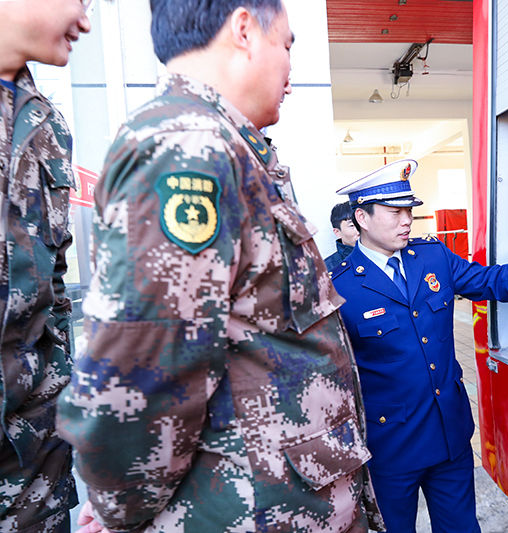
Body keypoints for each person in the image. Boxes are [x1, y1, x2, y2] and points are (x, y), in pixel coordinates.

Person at [56, 1, 383, 531]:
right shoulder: (188, 146)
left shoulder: (229, 145)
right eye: (287, 46)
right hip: (245, 509)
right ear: (245, 29)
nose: (291, 71)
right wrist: (124, 507)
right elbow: (143, 368)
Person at [330, 159, 508, 533]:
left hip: (450, 432)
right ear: (362, 218)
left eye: (409, 211)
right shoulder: (339, 286)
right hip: (389, 445)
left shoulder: (432, 257)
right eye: (394, 212)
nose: (406, 221)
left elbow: (484, 279)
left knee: (461, 527)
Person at [0, 1, 91, 531]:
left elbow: (50, 291)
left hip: (32, 461)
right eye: (79, 0)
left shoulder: (46, 126)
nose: (83, 21)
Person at [324, 201, 359, 270]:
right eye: (352, 225)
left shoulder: (382, 253)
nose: (360, 229)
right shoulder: (328, 268)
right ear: (337, 232)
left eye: (362, 222)